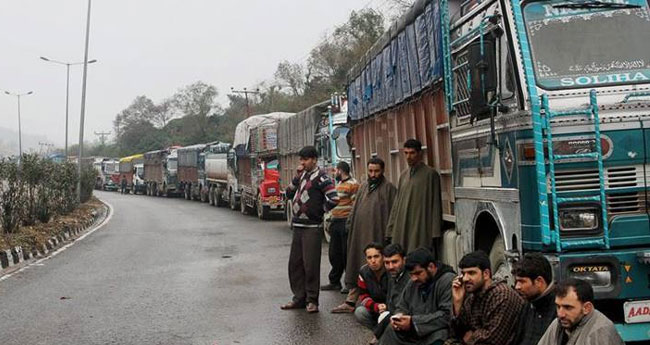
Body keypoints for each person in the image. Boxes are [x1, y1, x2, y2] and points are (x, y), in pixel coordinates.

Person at [331, 158, 397, 313]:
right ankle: (351, 301)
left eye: (376, 171)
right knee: (355, 264)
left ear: (383, 171)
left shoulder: (389, 189)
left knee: (376, 268)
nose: (373, 174)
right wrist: (350, 225)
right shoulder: (363, 187)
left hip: (377, 235)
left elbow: (394, 214)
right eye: (370, 171)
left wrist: (389, 235)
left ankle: (378, 304)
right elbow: (355, 208)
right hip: (359, 234)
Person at [281, 146, 339, 313]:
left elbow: (334, 198)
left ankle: (312, 300)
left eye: (305, 160)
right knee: (295, 264)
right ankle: (299, 298)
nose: (302, 163)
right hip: (298, 226)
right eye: (301, 160)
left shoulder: (322, 177)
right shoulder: (302, 176)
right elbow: (288, 193)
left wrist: (320, 210)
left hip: (312, 227)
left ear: (314, 159)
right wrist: (296, 178)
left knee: (310, 264)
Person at [379, 247, 455, 345]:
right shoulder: (413, 282)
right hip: (413, 332)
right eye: (411, 274)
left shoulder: (447, 280)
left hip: (434, 331)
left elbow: (447, 315)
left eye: (418, 273)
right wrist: (399, 316)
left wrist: (413, 322)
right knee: (391, 330)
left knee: (440, 335)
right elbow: (402, 306)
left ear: (431, 267)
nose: (414, 278)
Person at [447, 251, 524, 345]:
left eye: (471, 273)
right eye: (463, 273)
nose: (465, 279)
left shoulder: (502, 295)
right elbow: (457, 334)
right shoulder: (472, 298)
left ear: (486, 274)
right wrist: (457, 303)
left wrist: (471, 337)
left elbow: (493, 339)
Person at [386, 139, 442, 255]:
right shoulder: (403, 175)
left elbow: (436, 204)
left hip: (420, 225)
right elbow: (397, 204)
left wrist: (435, 232)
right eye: (406, 153)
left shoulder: (430, 174)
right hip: (402, 224)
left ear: (419, 154)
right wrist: (390, 229)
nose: (408, 157)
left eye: (412, 153)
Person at [537, 278, 624, 345]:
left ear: (586, 308)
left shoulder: (599, 332)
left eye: (568, 307)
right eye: (558, 306)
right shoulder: (558, 324)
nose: (560, 314)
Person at [321, 161, 359, 292]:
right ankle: (334, 281)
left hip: (345, 223)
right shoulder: (339, 184)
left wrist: (350, 222)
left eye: (335, 170)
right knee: (334, 253)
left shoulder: (353, 185)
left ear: (341, 171)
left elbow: (355, 205)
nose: (334, 173)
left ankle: (349, 283)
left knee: (345, 253)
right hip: (336, 222)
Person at [512, 252, 556, 345]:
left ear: (539, 281)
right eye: (516, 281)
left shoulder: (559, 307)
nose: (517, 287)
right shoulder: (528, 304)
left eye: (522, 281)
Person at [373, 244, 410, 340]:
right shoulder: (391, 274)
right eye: (387, 263)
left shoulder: (410, 277)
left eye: (394, 262)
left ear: (404, 260)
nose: (390, 267)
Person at [354, 243, 389, 330]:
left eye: (376, 256)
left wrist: (387, 306)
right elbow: (363, 296)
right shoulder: (363, 272)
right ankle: (378, 333)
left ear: (383, 257)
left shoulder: (390, 269)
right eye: (369, 258)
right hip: (375, 307)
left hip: (391, 307)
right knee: (360, 312)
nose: (373, 261)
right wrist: (376, 306)